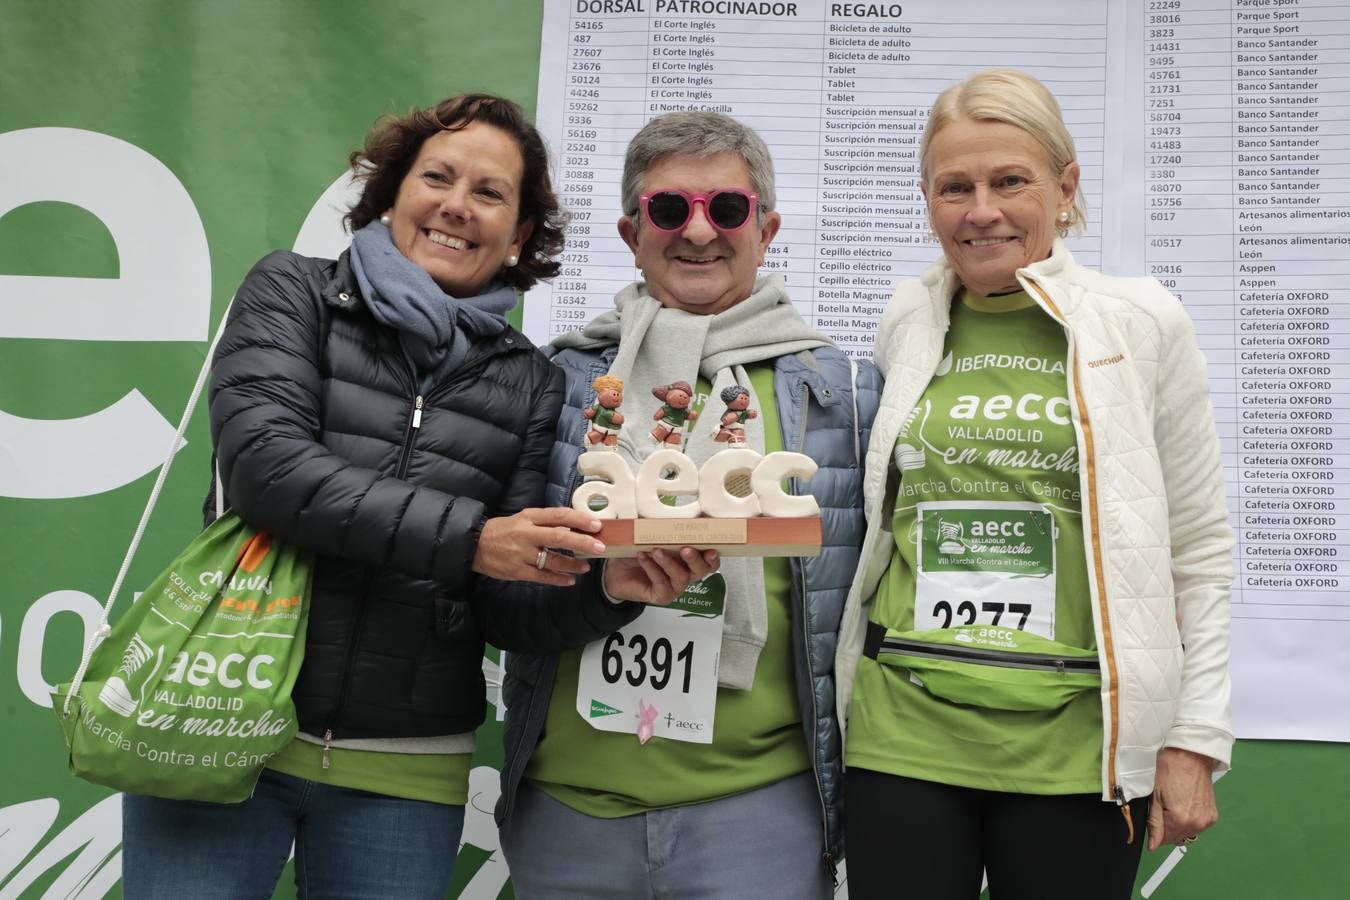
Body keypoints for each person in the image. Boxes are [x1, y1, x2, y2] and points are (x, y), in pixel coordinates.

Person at [120, 93, 698, 900]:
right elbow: (270, 470)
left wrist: (605, 590)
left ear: (520, 234)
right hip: (220, 723)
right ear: (392, 192)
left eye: (491, 194)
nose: (457, 206)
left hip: (404, 769)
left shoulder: (528, 379)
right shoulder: (292, 294)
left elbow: (502, 602)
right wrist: (471, 539)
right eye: (438, 177)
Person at [834, 69, 1234, 899]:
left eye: (1009, 180)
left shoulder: (1142, 322)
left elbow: (1198, 547)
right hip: (903, 731)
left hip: (1079, 751)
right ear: (929, 199)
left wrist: (1194, 737)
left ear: (1065, 187)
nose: (982, 210)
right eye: (956, 187)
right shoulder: (909, 319)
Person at [496, 110, 882, 899]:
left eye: (728, 209)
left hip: (761, 815)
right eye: (670, 209)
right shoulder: (552, 381)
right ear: (631, 230)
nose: (699, 232)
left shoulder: (843, 393)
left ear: (766, 228)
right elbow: (499, 586)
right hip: (570, 808)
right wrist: (600, 584)